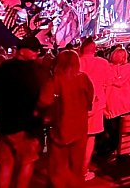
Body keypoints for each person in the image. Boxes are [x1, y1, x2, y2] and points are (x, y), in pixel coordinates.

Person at [0, 36, 48, 188]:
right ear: (23, 51)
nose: (37, 53)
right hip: (25, 126)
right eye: (34, 50)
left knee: (6, 163)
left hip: (4, 123)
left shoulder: (3, 68)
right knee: (27, 162)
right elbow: (40, 98)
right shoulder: (34, 71)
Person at [38, 50, 94, 188]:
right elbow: (89, 101)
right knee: (76, 167)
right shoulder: (84, 78)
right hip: (80, 127)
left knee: (58, 167)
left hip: (59, 128)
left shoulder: (55, 80)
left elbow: (43, 101)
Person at [79, 37, 111, 181]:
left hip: (78, 104)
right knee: (90, 138)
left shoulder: (76, 61)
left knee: (77, 138)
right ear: (95, 49)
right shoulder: (103, 63)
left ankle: (74, 168)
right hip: (96, 104)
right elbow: (108, 82)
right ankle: (83, 171)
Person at [102, 47, 130, 156]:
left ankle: (114, 149)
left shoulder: (107, 69)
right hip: (127, 104)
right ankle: (124, 149)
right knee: (125, 129)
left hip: (112, 104)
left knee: (113, 130)